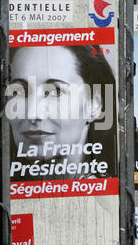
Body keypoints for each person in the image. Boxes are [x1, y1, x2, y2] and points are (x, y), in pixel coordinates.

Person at [7, 45, 122, 180]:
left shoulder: (111, 196)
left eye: (55, 92)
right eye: (20, 91)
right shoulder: (2, 192)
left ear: (93, 106)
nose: (33, 114)